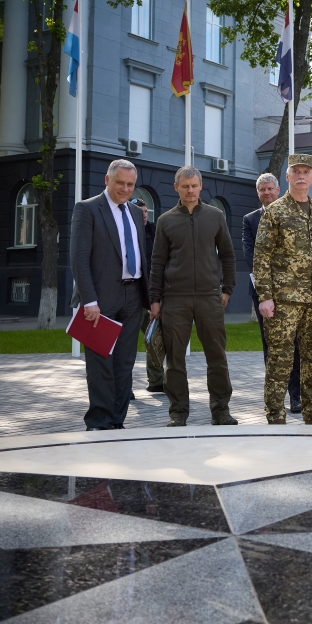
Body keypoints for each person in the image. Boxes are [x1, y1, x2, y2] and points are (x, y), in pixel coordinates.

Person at [148, 166, 237, 427]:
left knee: (217, 356)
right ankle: (178, 412)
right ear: (176, 187)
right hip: (175, 299)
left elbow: (229, 255)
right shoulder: (165, 221)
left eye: (194, 185)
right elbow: (157, 262)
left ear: (201, 186)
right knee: (175, 360)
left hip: (210, 298)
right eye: (185, 186)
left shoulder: (215, 216)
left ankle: (221, 411)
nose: (190, 190)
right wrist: (155, 298)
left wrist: (227, 289)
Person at [253, 154, 312, 425]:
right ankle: (275, 414)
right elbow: (261, 255)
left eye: (306, 171)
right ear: (287, 177)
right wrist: (264, 297)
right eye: (296, 171)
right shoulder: (275, 211)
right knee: (280, 357)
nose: (301, 175)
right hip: (284, 299)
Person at [70, 159, 149, 430]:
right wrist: (88, 300)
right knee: (101, 360)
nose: (125, 189)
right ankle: (99, 419)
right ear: (107, 180)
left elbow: (141, 256)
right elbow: (79, 258)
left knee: (125, 362)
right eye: (120, 183)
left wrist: (150, 299)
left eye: (130, 184)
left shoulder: (137, 213)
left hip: (133, 296)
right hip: (101, 299)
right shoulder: (87, 209)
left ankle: (117, 420)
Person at [243, 173, 301, 413]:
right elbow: (251, 255)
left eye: (270, 188)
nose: (266, 193)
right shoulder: (250, 220)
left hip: (292, 293)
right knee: (271, 346)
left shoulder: (293, 214)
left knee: (294, 345)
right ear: (258, 193)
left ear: (278, 190)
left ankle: (296, 396)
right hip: (263, 293)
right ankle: (275, 397)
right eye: (262, 189)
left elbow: (298, 254)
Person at [132, 198, 165, 394]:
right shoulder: (125, 231)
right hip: (129, 296)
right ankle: (124, 387)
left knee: (155, 338)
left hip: (151, 296)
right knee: (125, 345)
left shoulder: (154, 231)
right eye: (140, 212)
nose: (144, 215)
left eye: (146, 211)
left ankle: (156, 380)